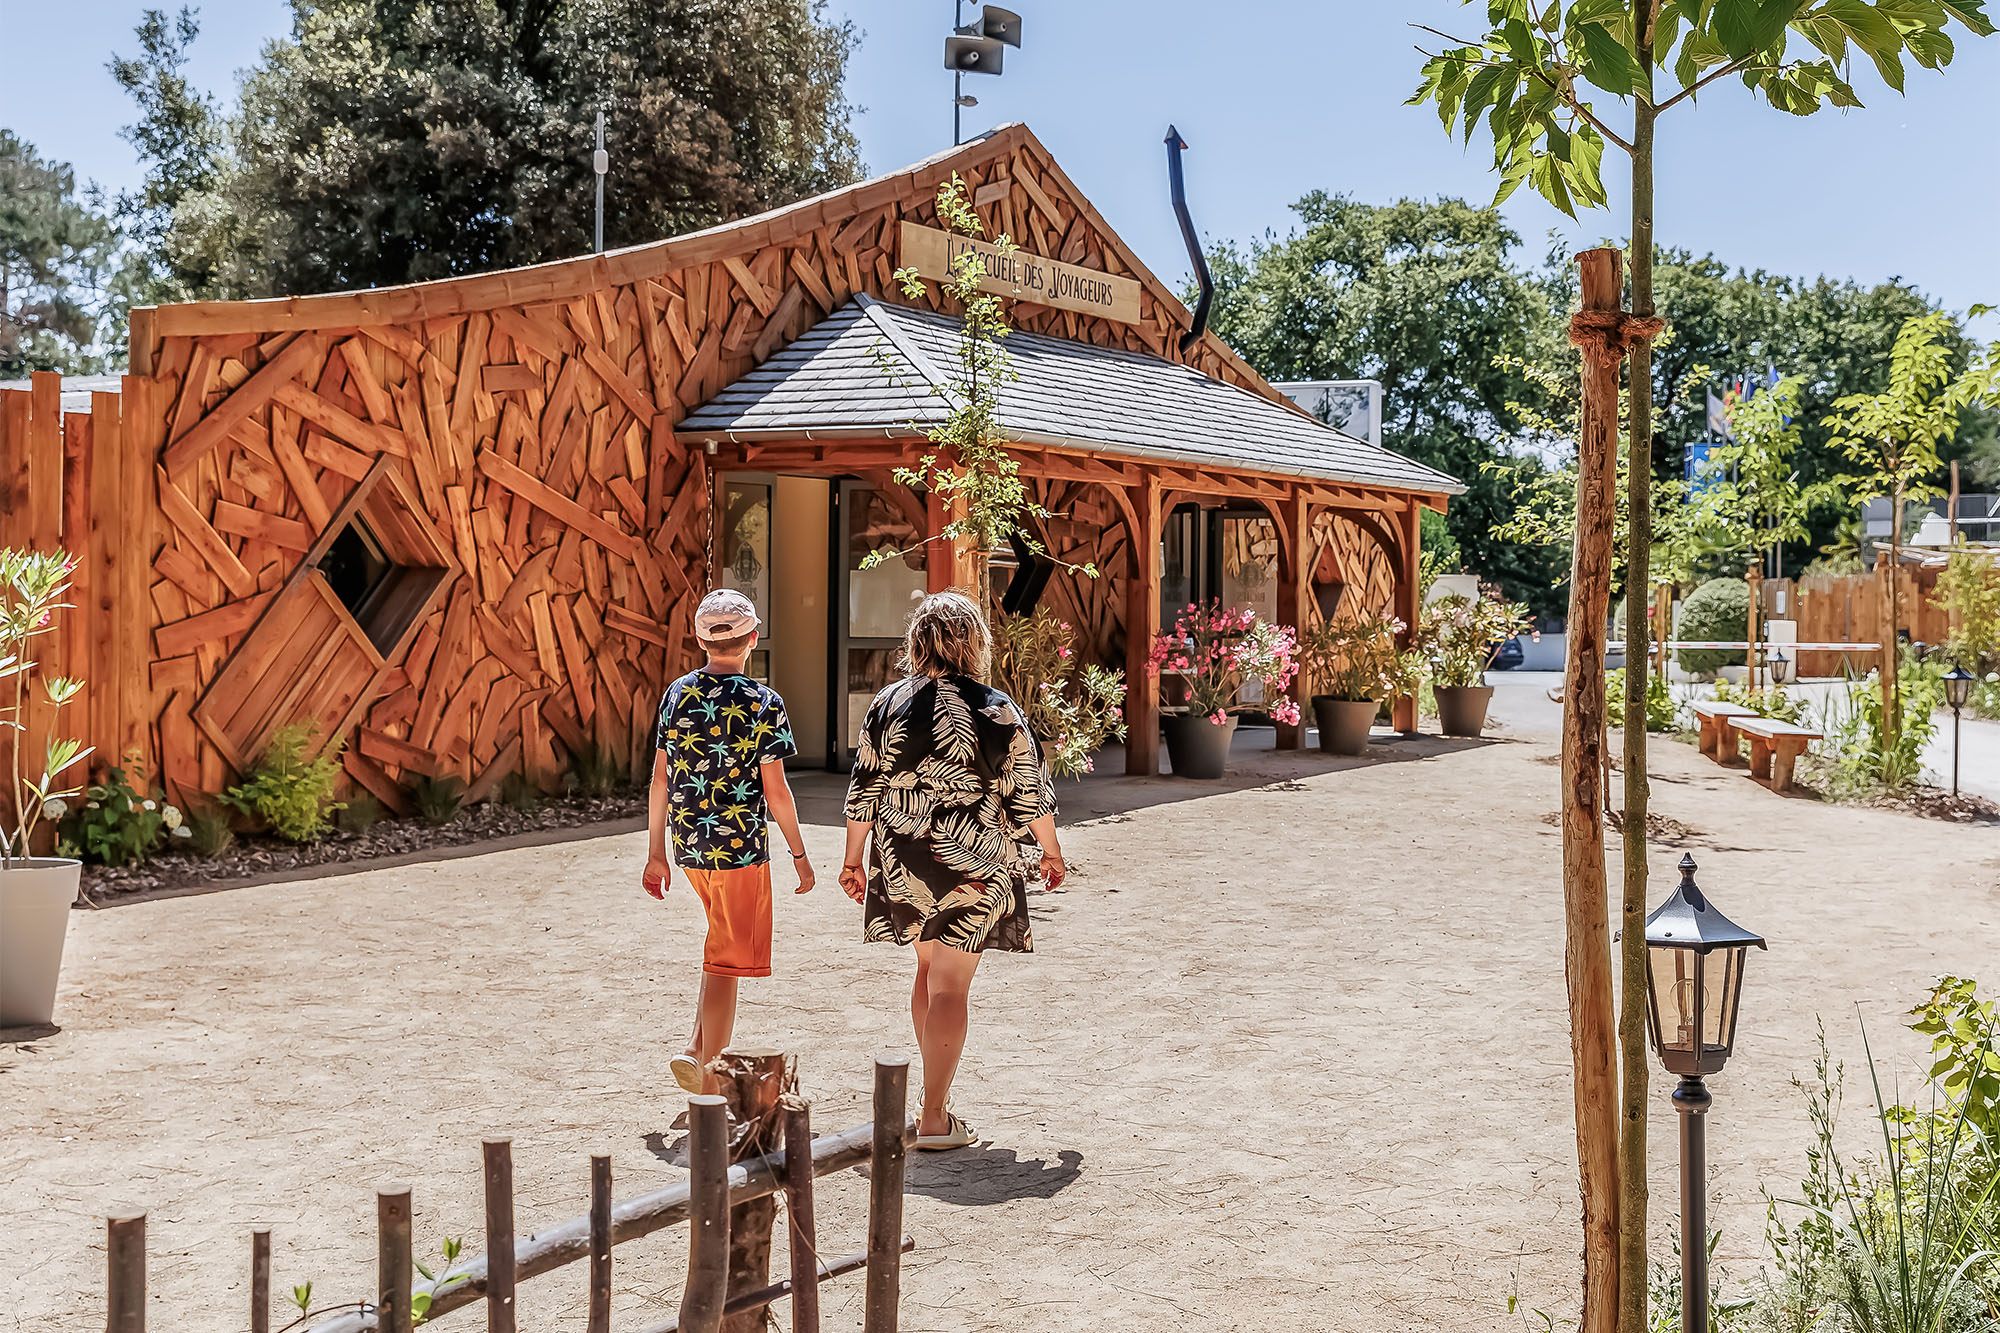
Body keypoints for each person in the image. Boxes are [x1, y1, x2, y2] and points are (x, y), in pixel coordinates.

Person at [839, 591, 1065, 1151]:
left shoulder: (886, 704)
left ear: (916, 641)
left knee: (926, 974)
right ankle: (935, 1115)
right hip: (975, 856)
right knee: (952, 987)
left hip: (904, 855)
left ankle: (933, 1103)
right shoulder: (995, 708)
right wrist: (1049, 852)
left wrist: (851, 859)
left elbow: (863, 788)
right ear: (974, 643)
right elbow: (1027, 792)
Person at [644, 588, 815, 1095]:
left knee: (720, 942)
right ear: (753, 640)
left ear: (700, 641)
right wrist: (800, 855)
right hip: (740, 850)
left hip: (690, 845)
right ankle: (712, 1075)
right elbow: (776, 789)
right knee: (728, 959)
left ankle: (695, 1049)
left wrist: (656, 853)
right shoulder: (763, 702)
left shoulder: (676, 694)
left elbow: (659, 780)